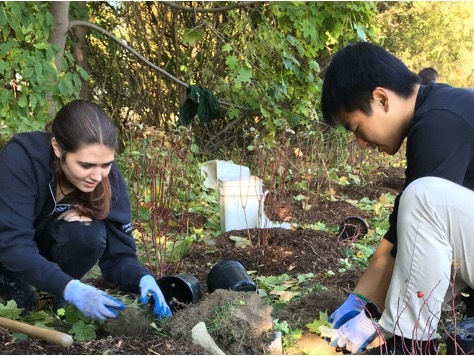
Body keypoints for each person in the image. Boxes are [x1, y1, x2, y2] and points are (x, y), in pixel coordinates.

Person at [321, 42, 474, 354]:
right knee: (419, 201)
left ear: (381, 99)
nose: (360, 143)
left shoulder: (439, 121)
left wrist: (377, 317)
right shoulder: (440, 110)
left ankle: (409, 344)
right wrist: (362, 302)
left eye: (356, 128)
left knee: (423, 198)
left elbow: (413, 240)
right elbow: (398, 238)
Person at [0, 100, 172, 321]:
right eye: (86, 165)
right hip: (7, 244)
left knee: (86, 231)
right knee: (18, 302)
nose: (98, 176)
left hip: (35, 244)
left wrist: (142, 278)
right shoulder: (22, 160)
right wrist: (70, 287)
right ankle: (14, 282)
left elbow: (119, 255)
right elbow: (13, 244)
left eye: (106, 164)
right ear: (57, 147)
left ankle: (59, 297)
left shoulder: (107, 177)